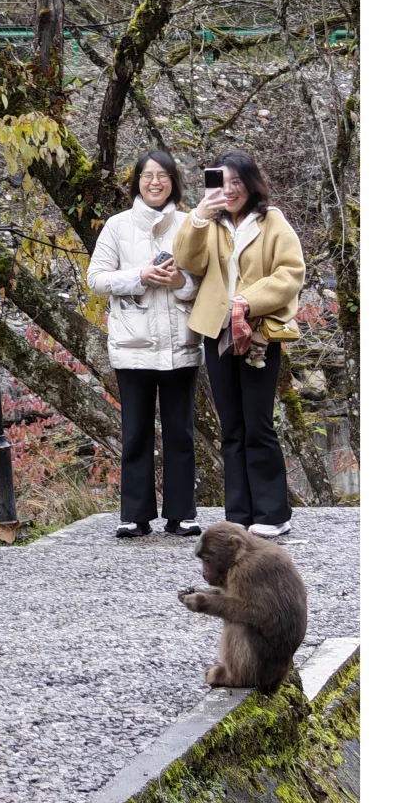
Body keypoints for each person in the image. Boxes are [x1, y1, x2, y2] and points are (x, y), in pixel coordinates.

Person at [172, 150, 305, 539]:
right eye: (222, 182)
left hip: (258, 331)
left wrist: (248, 301)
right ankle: (239, 514)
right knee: (231, 425)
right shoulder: (209, 223)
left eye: (236, 182)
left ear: (250, 183)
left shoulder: (272, 221)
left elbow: (291, 273)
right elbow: (187, 260)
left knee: (258, 423)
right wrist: (199, 215)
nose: (229, 190)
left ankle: (273, 513)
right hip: (217, 331)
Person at [88, 150, 202, 539]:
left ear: (174, 182)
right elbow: (96, 278)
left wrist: (180, 283)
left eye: (163, 175)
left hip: (181, 341)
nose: (155, 182)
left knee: (180, 432)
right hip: (132, 342)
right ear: (137, 181)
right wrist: (141, 275)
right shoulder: (117, 226)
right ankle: (134, 515)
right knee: (135, 430)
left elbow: (208, 280)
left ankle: (181, 514)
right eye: (147, 175)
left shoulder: (190, 225)